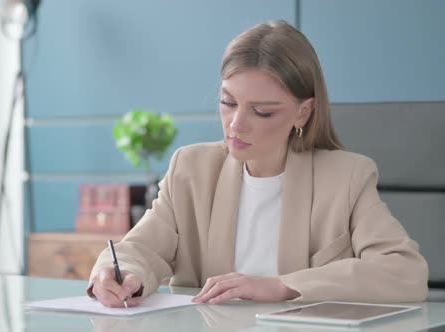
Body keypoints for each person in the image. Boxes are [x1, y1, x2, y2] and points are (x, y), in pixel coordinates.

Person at [87, 20, 429, 307]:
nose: (236, 124)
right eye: (228, 102)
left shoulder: (346, 177)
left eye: (262, 111)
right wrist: (118, 274)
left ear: (303, 112)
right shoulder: (190, 169)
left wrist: (285, 285)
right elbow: (140, 249)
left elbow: (405, 273)